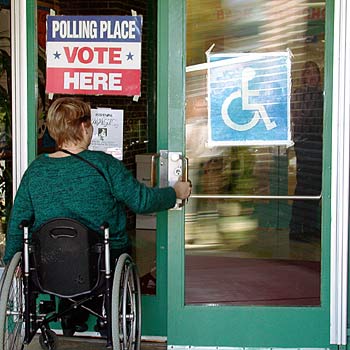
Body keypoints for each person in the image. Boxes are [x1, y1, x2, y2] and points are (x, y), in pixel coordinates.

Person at [3, 97, 191, 335]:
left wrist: (11, 259)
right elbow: (141, 201)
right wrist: (174, 192)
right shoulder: (103, 165)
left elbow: (18, 220)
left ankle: (72, 315)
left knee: (68, 246)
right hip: (103, 261)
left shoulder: (36, 169)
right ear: (83, 127)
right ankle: (105, 315)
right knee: (104, 247)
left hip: (50, 263)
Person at [289, 61, 323, 242]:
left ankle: (309, 227)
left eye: (314, 72)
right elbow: (302, 119)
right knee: (305, 186)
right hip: (306, 144)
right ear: (303, 77)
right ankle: (296, 229)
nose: (311, 76)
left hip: (318, 144)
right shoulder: (301, 94)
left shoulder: (321, 94)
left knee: (315, 187)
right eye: (308, 73)